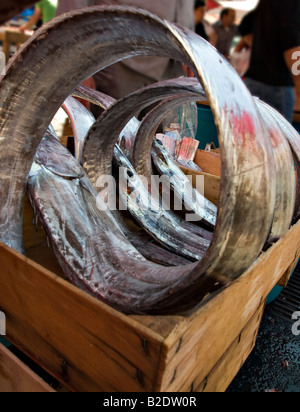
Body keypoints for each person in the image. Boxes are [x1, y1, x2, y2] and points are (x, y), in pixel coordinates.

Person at [57, 0, 195, 100]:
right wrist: (78, 67)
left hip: (170, 64)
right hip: (114, 59)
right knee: (107, 135)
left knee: (158, 138)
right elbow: (72, 5)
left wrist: (190, 48)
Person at [242, 0, 300, 123]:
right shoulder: (292, 4)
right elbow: (292, 44)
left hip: (253, 82)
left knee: (250, 139)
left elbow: (245, 25)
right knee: (277, 141)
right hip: (277, 87)